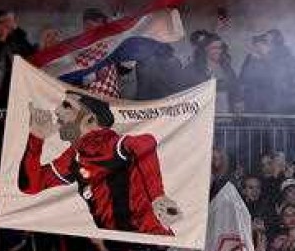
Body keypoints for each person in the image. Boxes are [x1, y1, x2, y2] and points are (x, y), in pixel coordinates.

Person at [20, 91, 180, 236]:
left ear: (90, 119)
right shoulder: (73, 156)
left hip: (150, 236)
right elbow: (31, 185)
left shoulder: (109, 143)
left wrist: (158, 196)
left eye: (67, 106)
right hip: (120, 244)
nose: (56, 111)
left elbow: (145, 143)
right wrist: (36, 137)